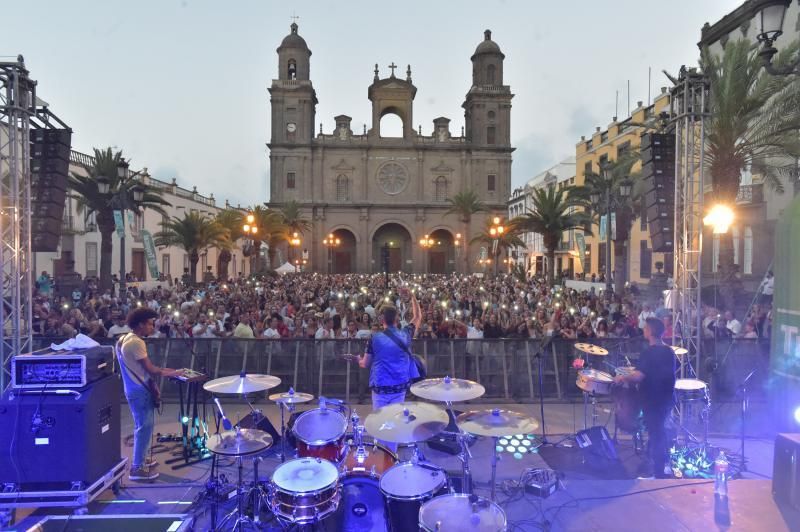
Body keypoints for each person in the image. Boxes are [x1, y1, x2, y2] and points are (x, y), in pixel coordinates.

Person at [115, 308, 181, 481]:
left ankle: (142, 459)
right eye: (150, 324)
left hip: (133, 388)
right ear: (140, 324)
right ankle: (137, 469)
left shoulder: (123, 339)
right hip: (139, 390)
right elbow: (150, 369)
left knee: (143, 426)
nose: (152, 327)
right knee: (144, 427)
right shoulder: (137, 343)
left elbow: (140, 370)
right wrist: (172, 373)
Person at [359, 287, 422, 450]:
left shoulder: (374, 338)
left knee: (380, 424)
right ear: (397, 319)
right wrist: (413, 296)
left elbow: (365, 363)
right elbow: (418, 317)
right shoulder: (406, 334)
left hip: (380, 388)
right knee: (394, 423)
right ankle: (391, 456)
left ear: (382, 320)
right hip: (399, 388)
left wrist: (358, 360)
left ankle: (380, 456)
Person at [613, 317, 675, 479]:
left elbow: (639, 376)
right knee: (659, 430)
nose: (643, 330)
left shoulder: (649, 353)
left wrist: (622, 378)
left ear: (650, 331)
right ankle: (661, 464)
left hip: (652, 399)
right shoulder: (669, 351)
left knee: (656, 432)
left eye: (645, 328)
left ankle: (657, 472)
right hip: (666, 398)